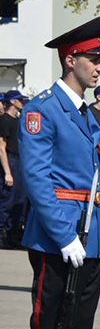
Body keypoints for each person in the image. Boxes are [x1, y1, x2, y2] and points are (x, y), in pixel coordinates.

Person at [19, 16, 100, 329]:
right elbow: (38, 180)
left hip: (89, 234)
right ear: (70, 58)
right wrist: (63, 235)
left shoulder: (88, 114)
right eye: (94, 59)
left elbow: (95, 181)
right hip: (57, 238)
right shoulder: (42, 109)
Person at [0, 89, 26, 249]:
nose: (22, 102)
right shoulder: (4, 120)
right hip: (10, 160)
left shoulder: (18, 120)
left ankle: (12, 234)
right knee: (7, 200)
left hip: (20, 161)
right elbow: (1, 147)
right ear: (13, 102)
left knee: (19, 200)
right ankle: (2, 234)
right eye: (19, 100)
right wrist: (8, 172)